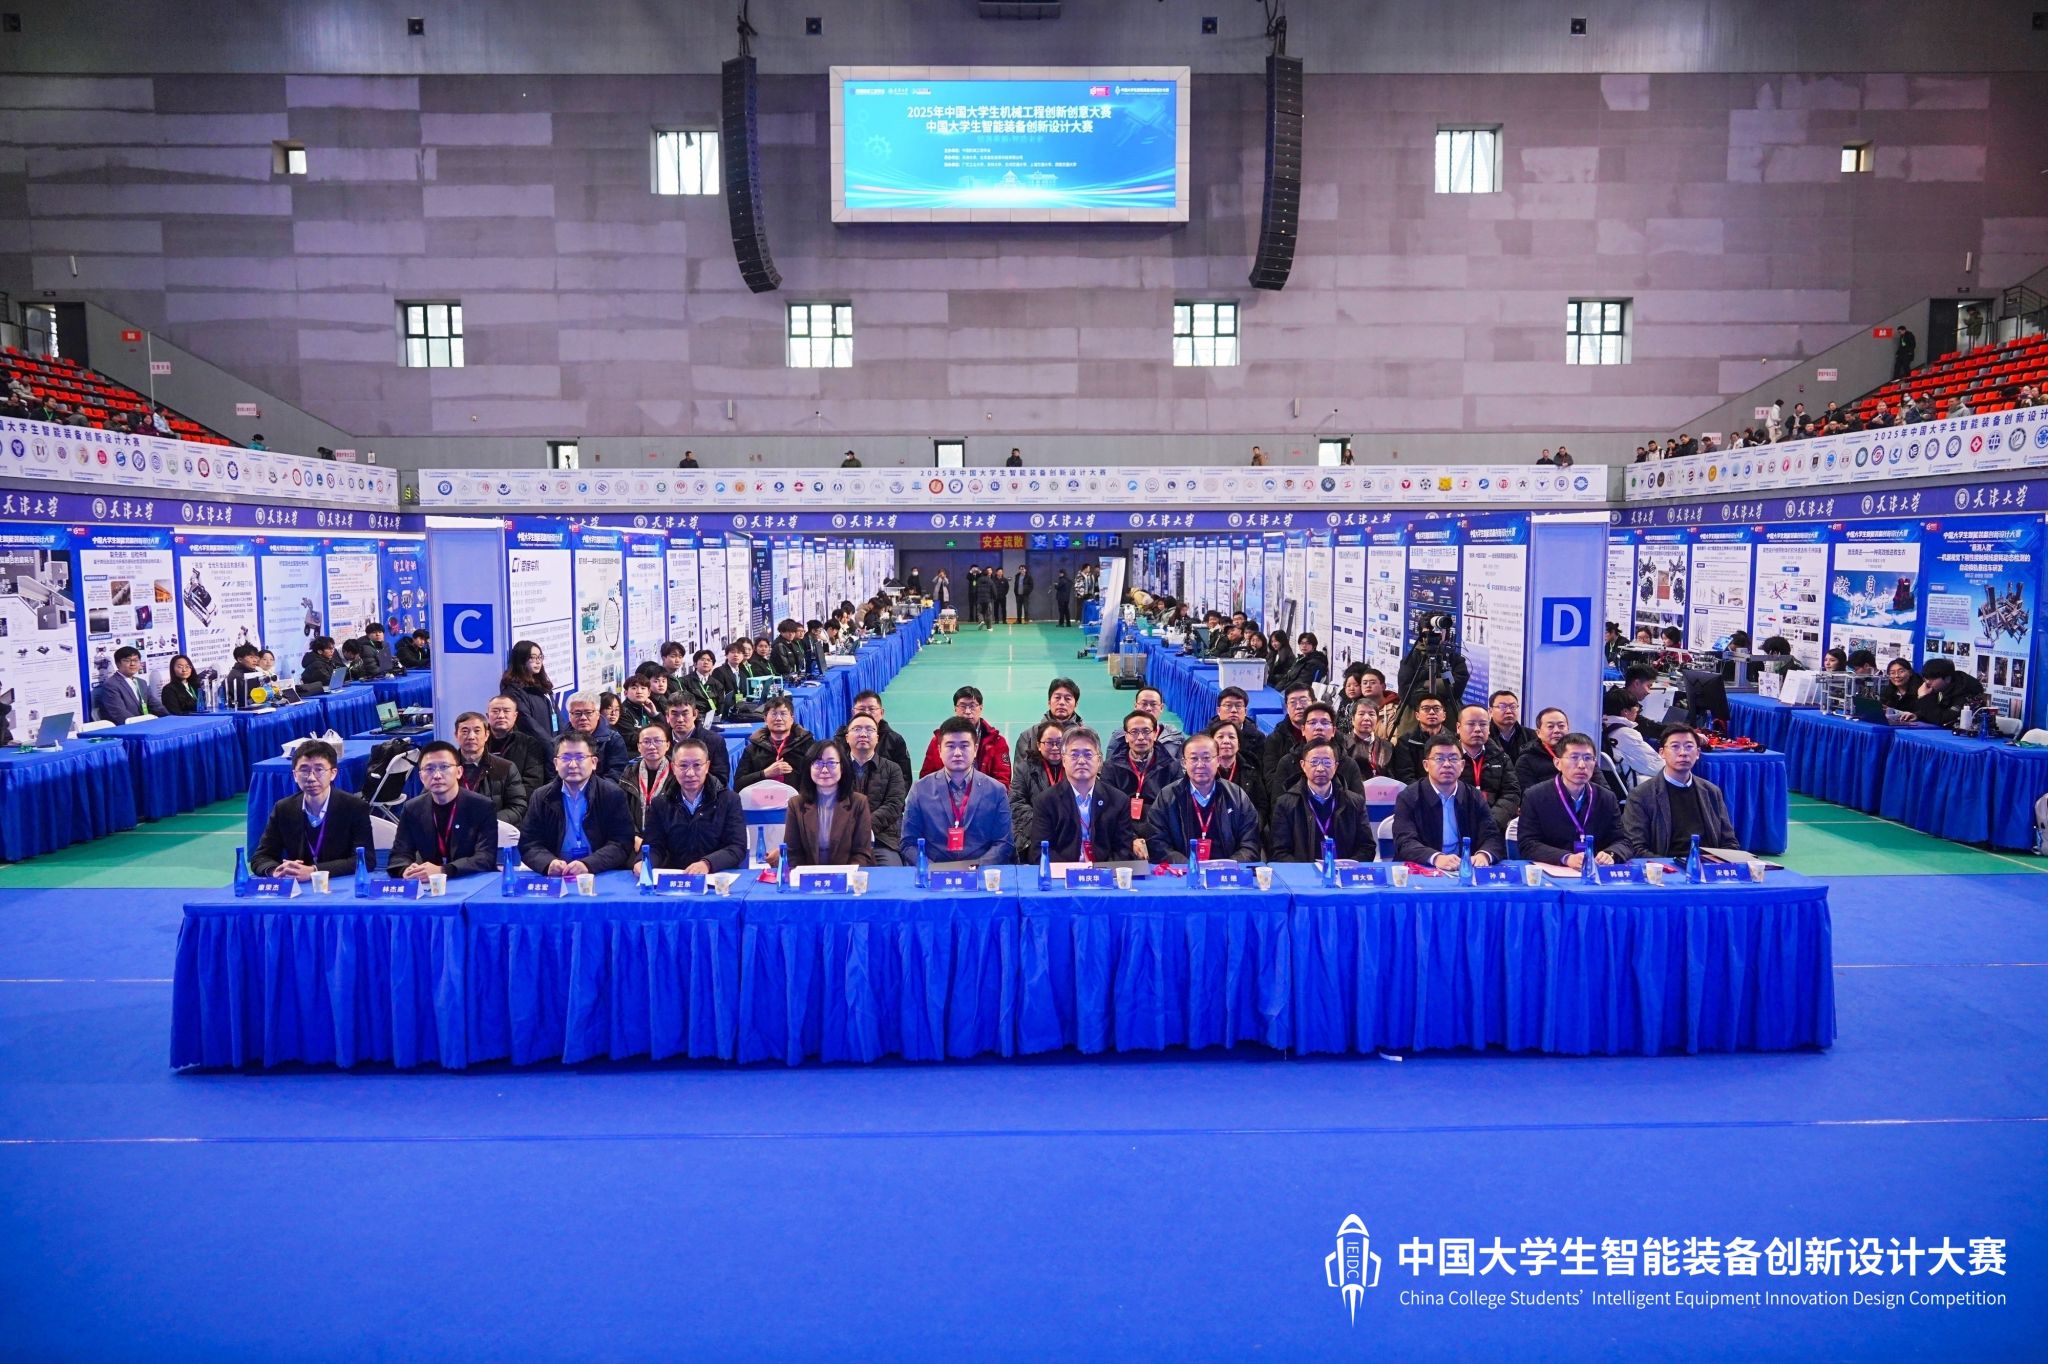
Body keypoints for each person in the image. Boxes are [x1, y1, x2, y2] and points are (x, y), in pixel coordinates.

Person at [249, 740, 376, 880]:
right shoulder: (283, 808)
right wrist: (275, 870)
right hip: (298, 886)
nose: (311, 778)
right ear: (295, 775)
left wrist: (314, 871)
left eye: (319, 770)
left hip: (340, 882)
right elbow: (261, 857)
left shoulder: (355, 807)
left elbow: (366, 860)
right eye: (304, 770)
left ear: (333, 773)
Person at [901, 715, 1015, 865]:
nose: (957, 753)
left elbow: (1004, 842)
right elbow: (908, 842)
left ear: (975, 749)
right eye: (950, 746)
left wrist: (977, 867)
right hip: (933, 870)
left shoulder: (996, 790)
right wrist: (931, 868)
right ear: (939, 750)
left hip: (979, 871)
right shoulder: (920, 789)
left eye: (964, 746)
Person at [518, 732, 636, 876]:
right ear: (556, 763)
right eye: (565, 758)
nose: (572, 764)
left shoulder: (612, 794)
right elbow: (529, 843)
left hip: (600, 872)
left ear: (594, 762)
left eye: (580, 757)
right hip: (558, 874)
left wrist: (589, 864)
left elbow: (622, 842)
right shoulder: (541, 796)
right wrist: (548, 863)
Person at [1618, 725, 1738, 860]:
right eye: (1675, 746)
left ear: (1698, 753)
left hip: (1707, 866)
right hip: (1665, 868)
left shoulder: (1711, 791)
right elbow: (1635, 847)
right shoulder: (1641, 795)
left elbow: (1729, 842)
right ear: (1662, 753)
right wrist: (1670, 867)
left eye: (1689, 746)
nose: (1683, 753)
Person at [386, 740, 500, 879]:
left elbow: (486, 858)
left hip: (470, 880)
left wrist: (443, 870)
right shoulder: (412, 808)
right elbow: (399, 855)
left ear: (459, 772)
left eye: (444, 767)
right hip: (429, 884)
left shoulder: (482, 806)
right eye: (429, 769)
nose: (437, 775)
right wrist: (405, 870)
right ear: (421, 776)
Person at [1392, 734, 1506, 870]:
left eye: (1453, 758)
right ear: (1426, 765)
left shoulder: (1474, 796)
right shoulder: (1409, 797)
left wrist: (1484, 855)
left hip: (1465, 869)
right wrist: (1436, 858)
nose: (1447, 764)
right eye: (1439, 759)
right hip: (1423, 869)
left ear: (1462, 765)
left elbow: (1492, 836)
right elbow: (1405, 842)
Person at [1516, 732, 1628, 869]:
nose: (1581, 765)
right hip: (1553, 871)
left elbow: (1622, 840)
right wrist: (1566, 858)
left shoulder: (1606, 798)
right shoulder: (1535, 796)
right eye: (1574, 757)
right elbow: (1527, 844)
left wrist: (1611, 853)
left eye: (1588, 758)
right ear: (1557, 763)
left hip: (1595, 870)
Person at [1148, 733, 1262, 864]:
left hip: (1226, 872)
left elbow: (1250, 844)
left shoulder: (1237, 796)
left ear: (1218, 761)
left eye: (1207, 758)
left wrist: (1226, 866)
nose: (1200, 764)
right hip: (1183, 871)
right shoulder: (1167, 796)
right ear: (1184, 763)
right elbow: (1157, 842)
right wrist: (1189, 867)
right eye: (1194, 758)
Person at [1030, 726, 1136, 863]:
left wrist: (1097, 871)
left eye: (1088, 755)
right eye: (1074, 755)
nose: (1081, 761)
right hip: (1063, 873)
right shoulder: (1046, 801)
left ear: (1099, 761)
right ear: (1064, 760)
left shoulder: (1118, 800)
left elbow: (1123, 850)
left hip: (1104, 873)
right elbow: (1039, 852)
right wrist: (1074, 871)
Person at [643, 737, 747, 875]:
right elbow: (654, 846)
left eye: (697, 765)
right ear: (673, 768)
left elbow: (737, 847)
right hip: (677, 876)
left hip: (717, 875)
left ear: (707, 766)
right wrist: (644, 862)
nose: (690, 773)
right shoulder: (660, 803)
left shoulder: (728, 800)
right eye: (683, 766)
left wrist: (707, 864)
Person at [1268, 740, 1375, 862]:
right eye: (1314, 762)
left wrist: (1346, 867)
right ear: (1303, 765)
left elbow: (1367, 847)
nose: (1320, 768)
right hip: (1303, 872)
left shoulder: (1354, 802)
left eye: (1327, 762)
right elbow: (1279, 851)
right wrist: (1306, 870)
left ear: (1336, 766)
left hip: (1344, 872)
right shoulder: (1286, 804)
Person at [779, 737, 875, 869]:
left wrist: (845, 875)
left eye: (831, 763)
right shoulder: (796, 804)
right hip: (808, 876)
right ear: (809, 768)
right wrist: (805, 876)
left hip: (848, 875)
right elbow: (793, 853)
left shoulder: (859, 802)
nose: (824, 770)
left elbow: (862, 852)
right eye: (818, 763)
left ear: (842, 767)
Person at [1099, 708, 1182, 838]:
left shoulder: (1173, 767)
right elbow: (1108, 810)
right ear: (1126, 736)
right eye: (1134, 732)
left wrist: (1154, 839)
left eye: (1146, 731)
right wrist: (1131, 839)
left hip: (1159, 834)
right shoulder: (1110, 767)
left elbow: (1174, 810)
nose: (1141, 737)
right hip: (1122, 835)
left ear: (1155, 734)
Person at [843, 712, 909, 866]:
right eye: (857, 729)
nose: (863, 734)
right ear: (847, 737)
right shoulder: (838, 768)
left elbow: (894, 805)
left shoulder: (892, 769)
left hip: (882, 840)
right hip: (843, 840)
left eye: (869, 729)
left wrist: (864, 827)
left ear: (877, 738)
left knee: (892, 874)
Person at [918, 685, 1012, 786]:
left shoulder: (997, 741)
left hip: (984, 794)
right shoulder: (938, 740)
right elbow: (926, 779)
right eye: (962, 706)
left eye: (972, 706)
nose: (967, 712)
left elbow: (1002, 782)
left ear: (981, 708)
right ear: (955, 708)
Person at [451, 709, 530, 826]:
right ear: (456, 735)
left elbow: (518, 806)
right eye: (465, 731)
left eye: (477, 731)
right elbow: (428, 803)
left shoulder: (505, 767)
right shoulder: (445, 768)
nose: (471, 736)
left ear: (486, 735)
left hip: (493, 830)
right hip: (454, 831)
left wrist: (488, 821)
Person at [1272, 702, 1366, 796]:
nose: (1318, 727)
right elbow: (1279, 802)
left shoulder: (1349, 764)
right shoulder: (1287, 762)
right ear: (1303, 730)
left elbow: (1358, 802)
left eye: (1325, 723)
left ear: (1333, 731)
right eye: (1312, 722)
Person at [1454, 704, 1522, 826]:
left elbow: (1511, 793)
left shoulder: (1501, 757)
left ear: (1489, 728)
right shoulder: (1447, 758)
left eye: (1483, 724)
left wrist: (1492, 821)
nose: (1477, 729)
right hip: (1456, 822)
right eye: (1471, 724)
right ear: (1458, 728)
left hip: (1494, 825)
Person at [1009, 722, 1067, 860]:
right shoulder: (1024, 769)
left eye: (1059, 742)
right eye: (1049, 743)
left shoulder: (1073, 768)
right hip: (1033, 835)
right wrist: (1043, 824)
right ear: (1039, 745)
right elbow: (1016, 803)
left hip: (1067, 833)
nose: (1055, 747)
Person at [734, 694, 814, 790]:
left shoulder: (807, 745)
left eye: (783, 714)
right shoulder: (753, 749)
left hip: (798, 797)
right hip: (763, 797)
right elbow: (738, 785)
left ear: (792, 719)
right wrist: (765, 773)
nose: (778, 718)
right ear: (765, 719)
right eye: (774, 714)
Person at [1395, 617, 1470, 719]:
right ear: (1421, 634)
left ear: (1446, 633)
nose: (1434, 634)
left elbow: (1456, 690)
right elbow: (1405, 693)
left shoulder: (1454, 659)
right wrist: (1428, 703)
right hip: (1414, 716)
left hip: (1449, 716)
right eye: (1428, 631)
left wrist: (1422, 685)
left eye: (1439, 631)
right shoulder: (1411, 659)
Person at [841, 689, 914, 787]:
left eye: (872, 709)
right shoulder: (840, 739)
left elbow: (904, 778)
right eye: (861, 709)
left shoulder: (895, 740)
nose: (867, 713)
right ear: (853, 712)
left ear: (881, 712)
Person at [484, 695, 552, 793]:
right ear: (487, 716)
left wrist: (512, 800)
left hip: (517, 800)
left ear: (515, 716)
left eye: (506, 711)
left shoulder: (529, 744)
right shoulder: (479, 743)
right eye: (495, 711)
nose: (501, 716)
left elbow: (533, 782)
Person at [556, 691, 630, 780]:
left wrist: (589, 788)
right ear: (569, 716)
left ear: (598, 714)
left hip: (603, 788)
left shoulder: (613, 740)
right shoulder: (559, 742)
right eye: (577, 713)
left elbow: (617, 775)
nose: (583, 718)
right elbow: (553, 777)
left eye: (588, 712)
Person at [1207, 720, 1271, 822]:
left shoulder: (1251, 769)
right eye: (1220, 737)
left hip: (1245, 827)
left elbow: (1261, 805)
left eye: (1232, 737)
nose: (1226, 741)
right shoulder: (1202, 771)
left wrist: (1252, 827)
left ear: (1239, 744)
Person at [661, 695, 730, 789]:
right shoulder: (661, 741)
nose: (680, 719)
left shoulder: (714, 741)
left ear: (695, 714)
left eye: (685, 714)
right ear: (667, 716)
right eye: (674, 714)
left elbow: (721, 779)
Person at [499, 640, 559, 745]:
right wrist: (551, 745)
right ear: (521, 660)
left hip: (554, 742)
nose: (538, 661)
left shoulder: (543, 685)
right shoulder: (513, 689)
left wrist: (562, 741)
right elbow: (528, 723)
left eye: (540, 657)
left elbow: (556, 714)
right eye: (532, 657)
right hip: (533, 746)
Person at [1259, 683, 1317, 789]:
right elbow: (1272, 780)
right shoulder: (1275, 739)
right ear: (1286, 707)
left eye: (1303, 701)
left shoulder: (1328, 735)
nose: (1298, 706)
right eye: (1293, 702)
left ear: (1314, 703)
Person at [1106, 686, 1185, 764]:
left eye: (1153, 704)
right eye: (1144, 704)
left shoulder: (1175, 737)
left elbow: (1182, 768)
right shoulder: (1119, 736)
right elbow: (1109, 766)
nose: (1148, 708)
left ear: (1161, 708)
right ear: (1135, 706)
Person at [622, 720, 675, 830]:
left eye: (658, 741)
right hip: (635, 836)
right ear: (639, 747)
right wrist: (634, 835)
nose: (652, 746)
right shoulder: (629, 773)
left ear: (667, 745)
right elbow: (622, 810)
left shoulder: (676, 774)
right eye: (646, 742)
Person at [1015, 677, 1084, 757]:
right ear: (1049, 702)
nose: (1062, 702)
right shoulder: (1028, 737)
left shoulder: (1087, 737)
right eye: (1057, 697)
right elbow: (1021, 765)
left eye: (1067, 699)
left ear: (1076, 705)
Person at [1513, 706, 1573, 795]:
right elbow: (1528, 796)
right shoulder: (1526, 760)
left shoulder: (1581, 755)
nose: (1556, 730)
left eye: (1561, 726)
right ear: (1538, 733)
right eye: (1550, 726)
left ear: (1568, 729)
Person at [1389, 696, 1450, 781]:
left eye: (1436, 708)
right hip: (1415, 788)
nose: (1432, 712)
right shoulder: (1405, 741)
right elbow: (1405, 776)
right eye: (1426, 709)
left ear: (1444, 715)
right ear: (1417, 716)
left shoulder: (1453, 740)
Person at [1912, 657, 1986, 728]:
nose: (1927, 682)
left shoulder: (1965, 691)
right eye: (1926, 678)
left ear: (1947, 678)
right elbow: (1936, 709)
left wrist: (1924, 697)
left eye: (1932, 679)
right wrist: (1918, 715)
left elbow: (1943, 719)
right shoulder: (1938, 688)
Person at [93, 645, 161, 722]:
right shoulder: (111, 685)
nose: (132, 664)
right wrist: (142, 725)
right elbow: (119, 714)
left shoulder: (142, 683)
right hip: (128, 726)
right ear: (117, 664)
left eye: (135, 660)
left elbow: (155, 706)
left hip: (145, 724)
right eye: (127, 661)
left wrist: (170, 718)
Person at [1487, 690, 1533, 763]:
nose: (1509, 711)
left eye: (1513, 707)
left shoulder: (1531, 736)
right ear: (1490, 711)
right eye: (1503, 707)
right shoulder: (1484, 735)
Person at [707, 640, 753, 712]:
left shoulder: (743, 674)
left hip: (740, 709)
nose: (736, 655)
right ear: (726, 655)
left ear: (743, 656)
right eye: (733, 652)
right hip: (725, 710)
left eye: (739, 653)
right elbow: (716, 696)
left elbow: (745, 694)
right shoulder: (719, 671)